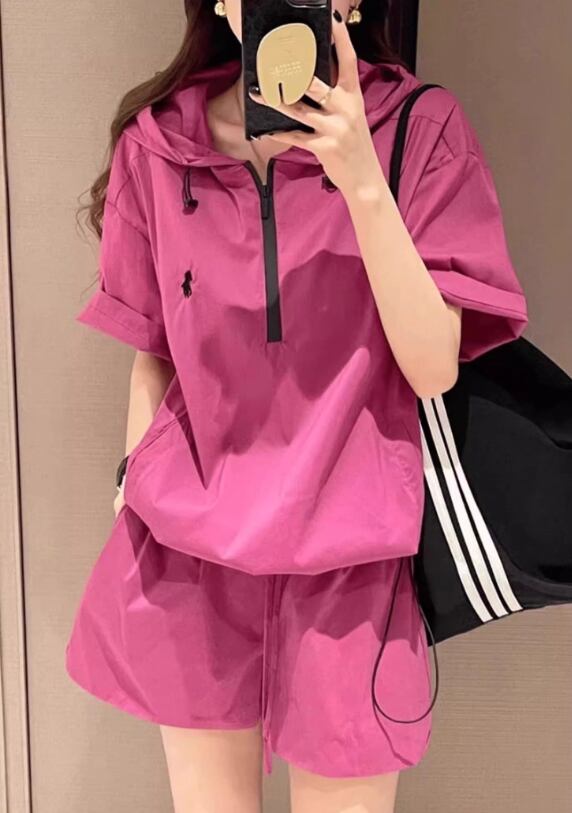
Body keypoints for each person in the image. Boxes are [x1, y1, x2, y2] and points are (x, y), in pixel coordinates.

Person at [66, 1, 528, 811]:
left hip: (351, 568)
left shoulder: (420, 128)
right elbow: (154, 349)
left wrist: (362, 181)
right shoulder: (158, 143)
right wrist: (130, 484)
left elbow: (431, 368)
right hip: (190, 562)